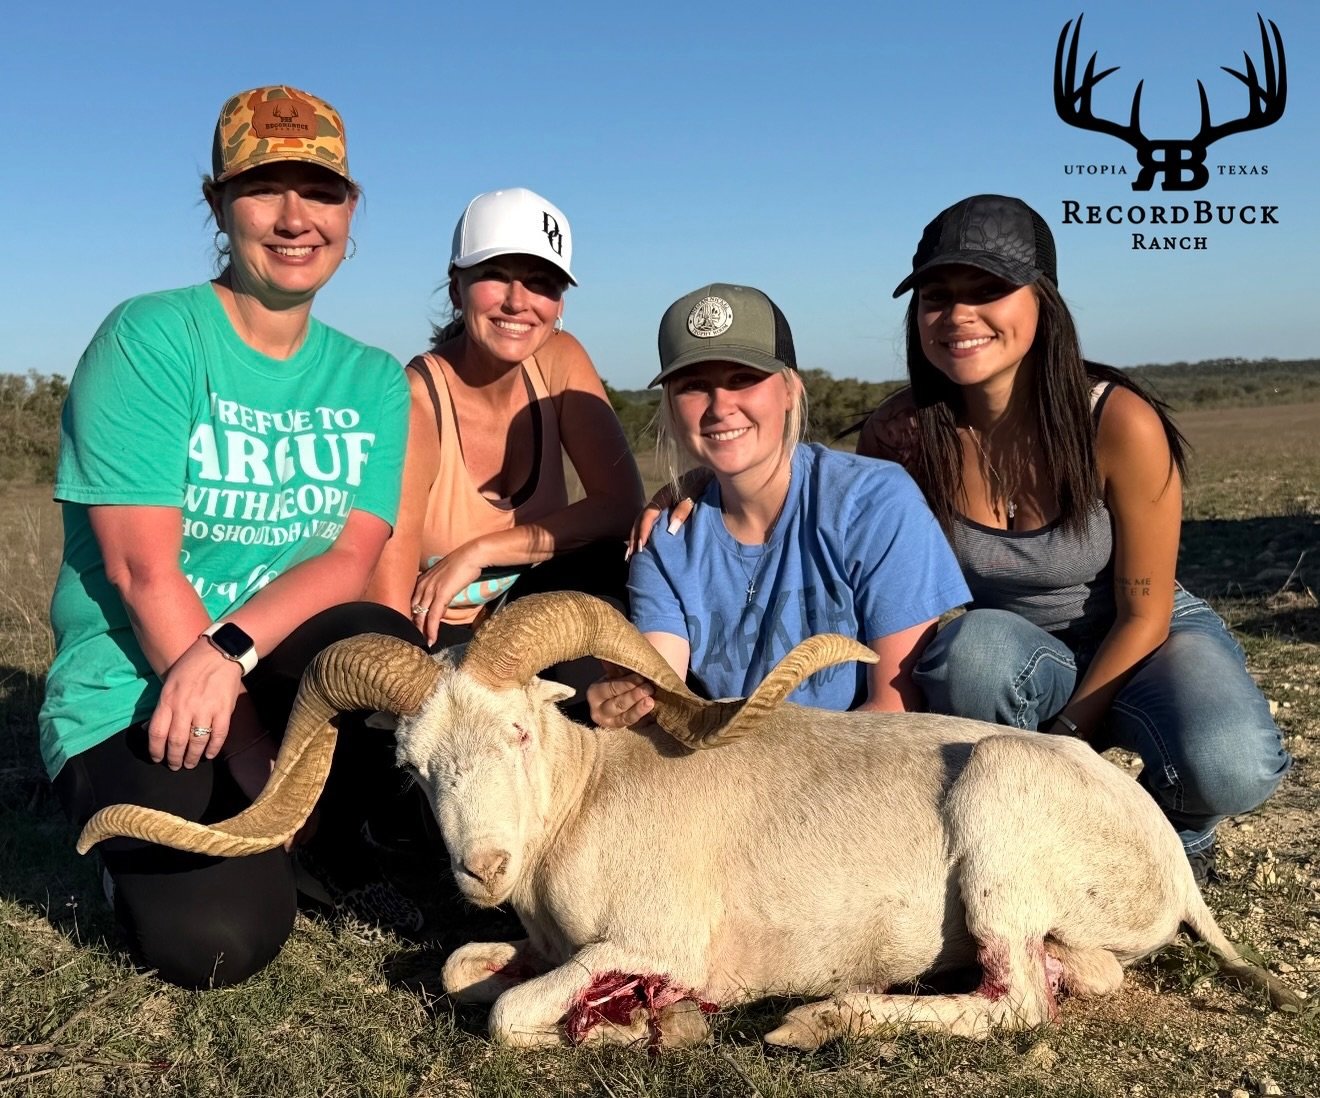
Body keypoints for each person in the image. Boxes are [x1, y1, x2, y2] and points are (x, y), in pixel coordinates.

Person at [39, 85, 423, 989]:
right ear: (218, 202)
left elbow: (349, 559)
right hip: (138, 683)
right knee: (215, 942)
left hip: (251, 660)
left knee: (383, 643)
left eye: (318, 191)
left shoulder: (371, 379)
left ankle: (337, 827)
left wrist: (231, 650)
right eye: (263, 188)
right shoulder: (151, 337)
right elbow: (141, 572)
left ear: (350, 207)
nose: (295, 218)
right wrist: (254, 756)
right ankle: (128, 839)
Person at [857, 193, 1291, 883]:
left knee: (1231, 763)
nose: (959, 316)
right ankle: (1030, 840)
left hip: (1145, 636)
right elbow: (817, 507)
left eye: (989, 289)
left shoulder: (1118, 421)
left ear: (1043, 300)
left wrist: (1068, 748)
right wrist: (692, 492)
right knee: (970, 655)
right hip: (1013, 659)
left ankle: (1178, 832)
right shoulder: (902, 434)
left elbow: (1144, 612)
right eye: (937, 296)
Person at [588, 283, 970, 728]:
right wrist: (629, 706)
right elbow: (664, 696)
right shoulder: (664, 542)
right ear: (671, 408)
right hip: (732, 769)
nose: (720, 407)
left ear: (790, 390)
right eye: (693, 386)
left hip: (862, 765)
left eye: (743, 379)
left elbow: (895, 708)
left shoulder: (873, 501)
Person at [366, 187, 644, 673]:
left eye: (541, 283)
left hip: (535, 615)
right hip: (440, 637)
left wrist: (481, 551)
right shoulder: (416, 402)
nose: (518, 302)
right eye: (494, 275)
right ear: (457, 289)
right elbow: (387, 602)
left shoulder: (560, 358)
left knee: (625, 568)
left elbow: (621, 509)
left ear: (559, 304)